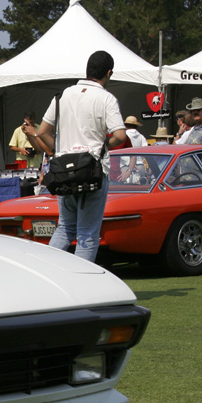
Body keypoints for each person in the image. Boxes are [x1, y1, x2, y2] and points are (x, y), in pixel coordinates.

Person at [34, 50, 125, 263]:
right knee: (87, 233)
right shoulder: (106, 98)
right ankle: (84, 284)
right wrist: (103, 147)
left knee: (65, 228)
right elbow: (120, 135)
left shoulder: (63, 95)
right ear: (108, 73)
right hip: (92, 170)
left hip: (63, 171)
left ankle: (49, 272)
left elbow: (42, 132)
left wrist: (59, 151)